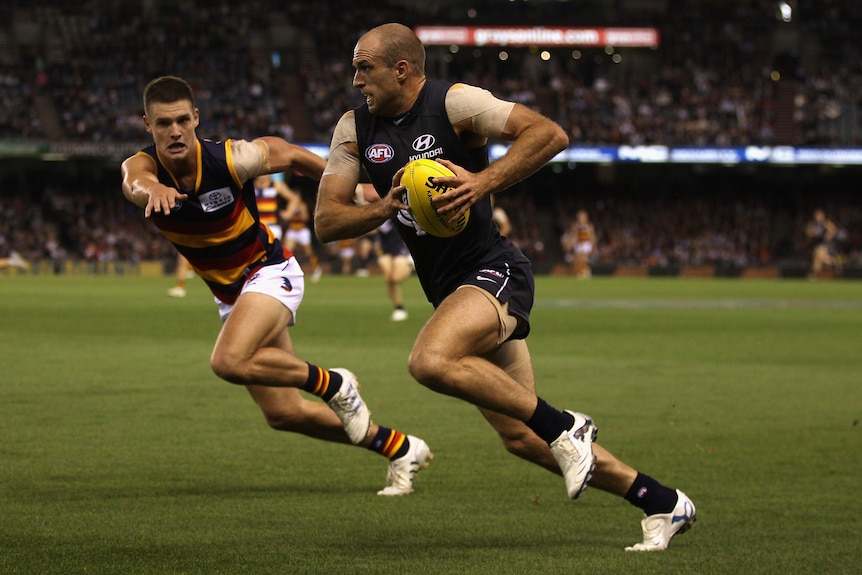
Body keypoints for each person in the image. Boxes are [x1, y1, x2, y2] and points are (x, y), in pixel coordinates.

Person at [314, 23, 695, 551]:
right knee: (522, 435)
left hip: (494, 270)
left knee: (429, 361)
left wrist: (480, 183)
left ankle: (569, 426)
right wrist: (383, 205)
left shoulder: (455, 103)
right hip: (448, 289)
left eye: (364, 67)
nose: (355, 79)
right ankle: (662, 502)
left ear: (401, 69)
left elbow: (549, 133)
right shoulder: (354, 129)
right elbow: (327, 222)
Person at [120, 75, 431, 496]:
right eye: (162, 124)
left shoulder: (230, 159)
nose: (174, 131)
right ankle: (399, 447)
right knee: (284, 414)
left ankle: (334, 384)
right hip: (234, 296)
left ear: (195, 118)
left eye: (181, 120)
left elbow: (290, 155)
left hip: (270, 272)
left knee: (228, 361)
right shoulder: (144, 169)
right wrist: (152, 188)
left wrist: (352, 187)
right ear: (147, 125)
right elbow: (133, 181)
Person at [280, 179, 323, 282]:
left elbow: (305, 218)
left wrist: (296, 215)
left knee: (308, 252)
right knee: (287, 251)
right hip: (292, 230)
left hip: (301, 230)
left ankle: (316, 269)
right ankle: (284, 272)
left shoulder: (302, 206)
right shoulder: (290, 205)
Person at [561, 209, 596, 279]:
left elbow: (592, 237)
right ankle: (580, 273)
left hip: (586, 246)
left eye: (583, 217)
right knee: (576, 261)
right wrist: (570, 243)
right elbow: (573, 236)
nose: (581, 218)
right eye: (580, 217)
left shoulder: (589, 227)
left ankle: (584, 273)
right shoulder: (575, 226)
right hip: (578, 246)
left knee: (583, 260)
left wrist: (594, 247)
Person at [805, 208, 839, 279]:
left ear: (823, 216)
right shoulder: (813, 224)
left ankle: (814, 274)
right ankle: (833, 263)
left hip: (828, 246)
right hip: (816, 245)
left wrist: (829, 234)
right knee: (819, 257)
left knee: (819, 253)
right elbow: (808, 234)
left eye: (819, 215)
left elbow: (833, 231)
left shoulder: (827, 223)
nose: (818, 217)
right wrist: (812, 232)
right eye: (817, 215)